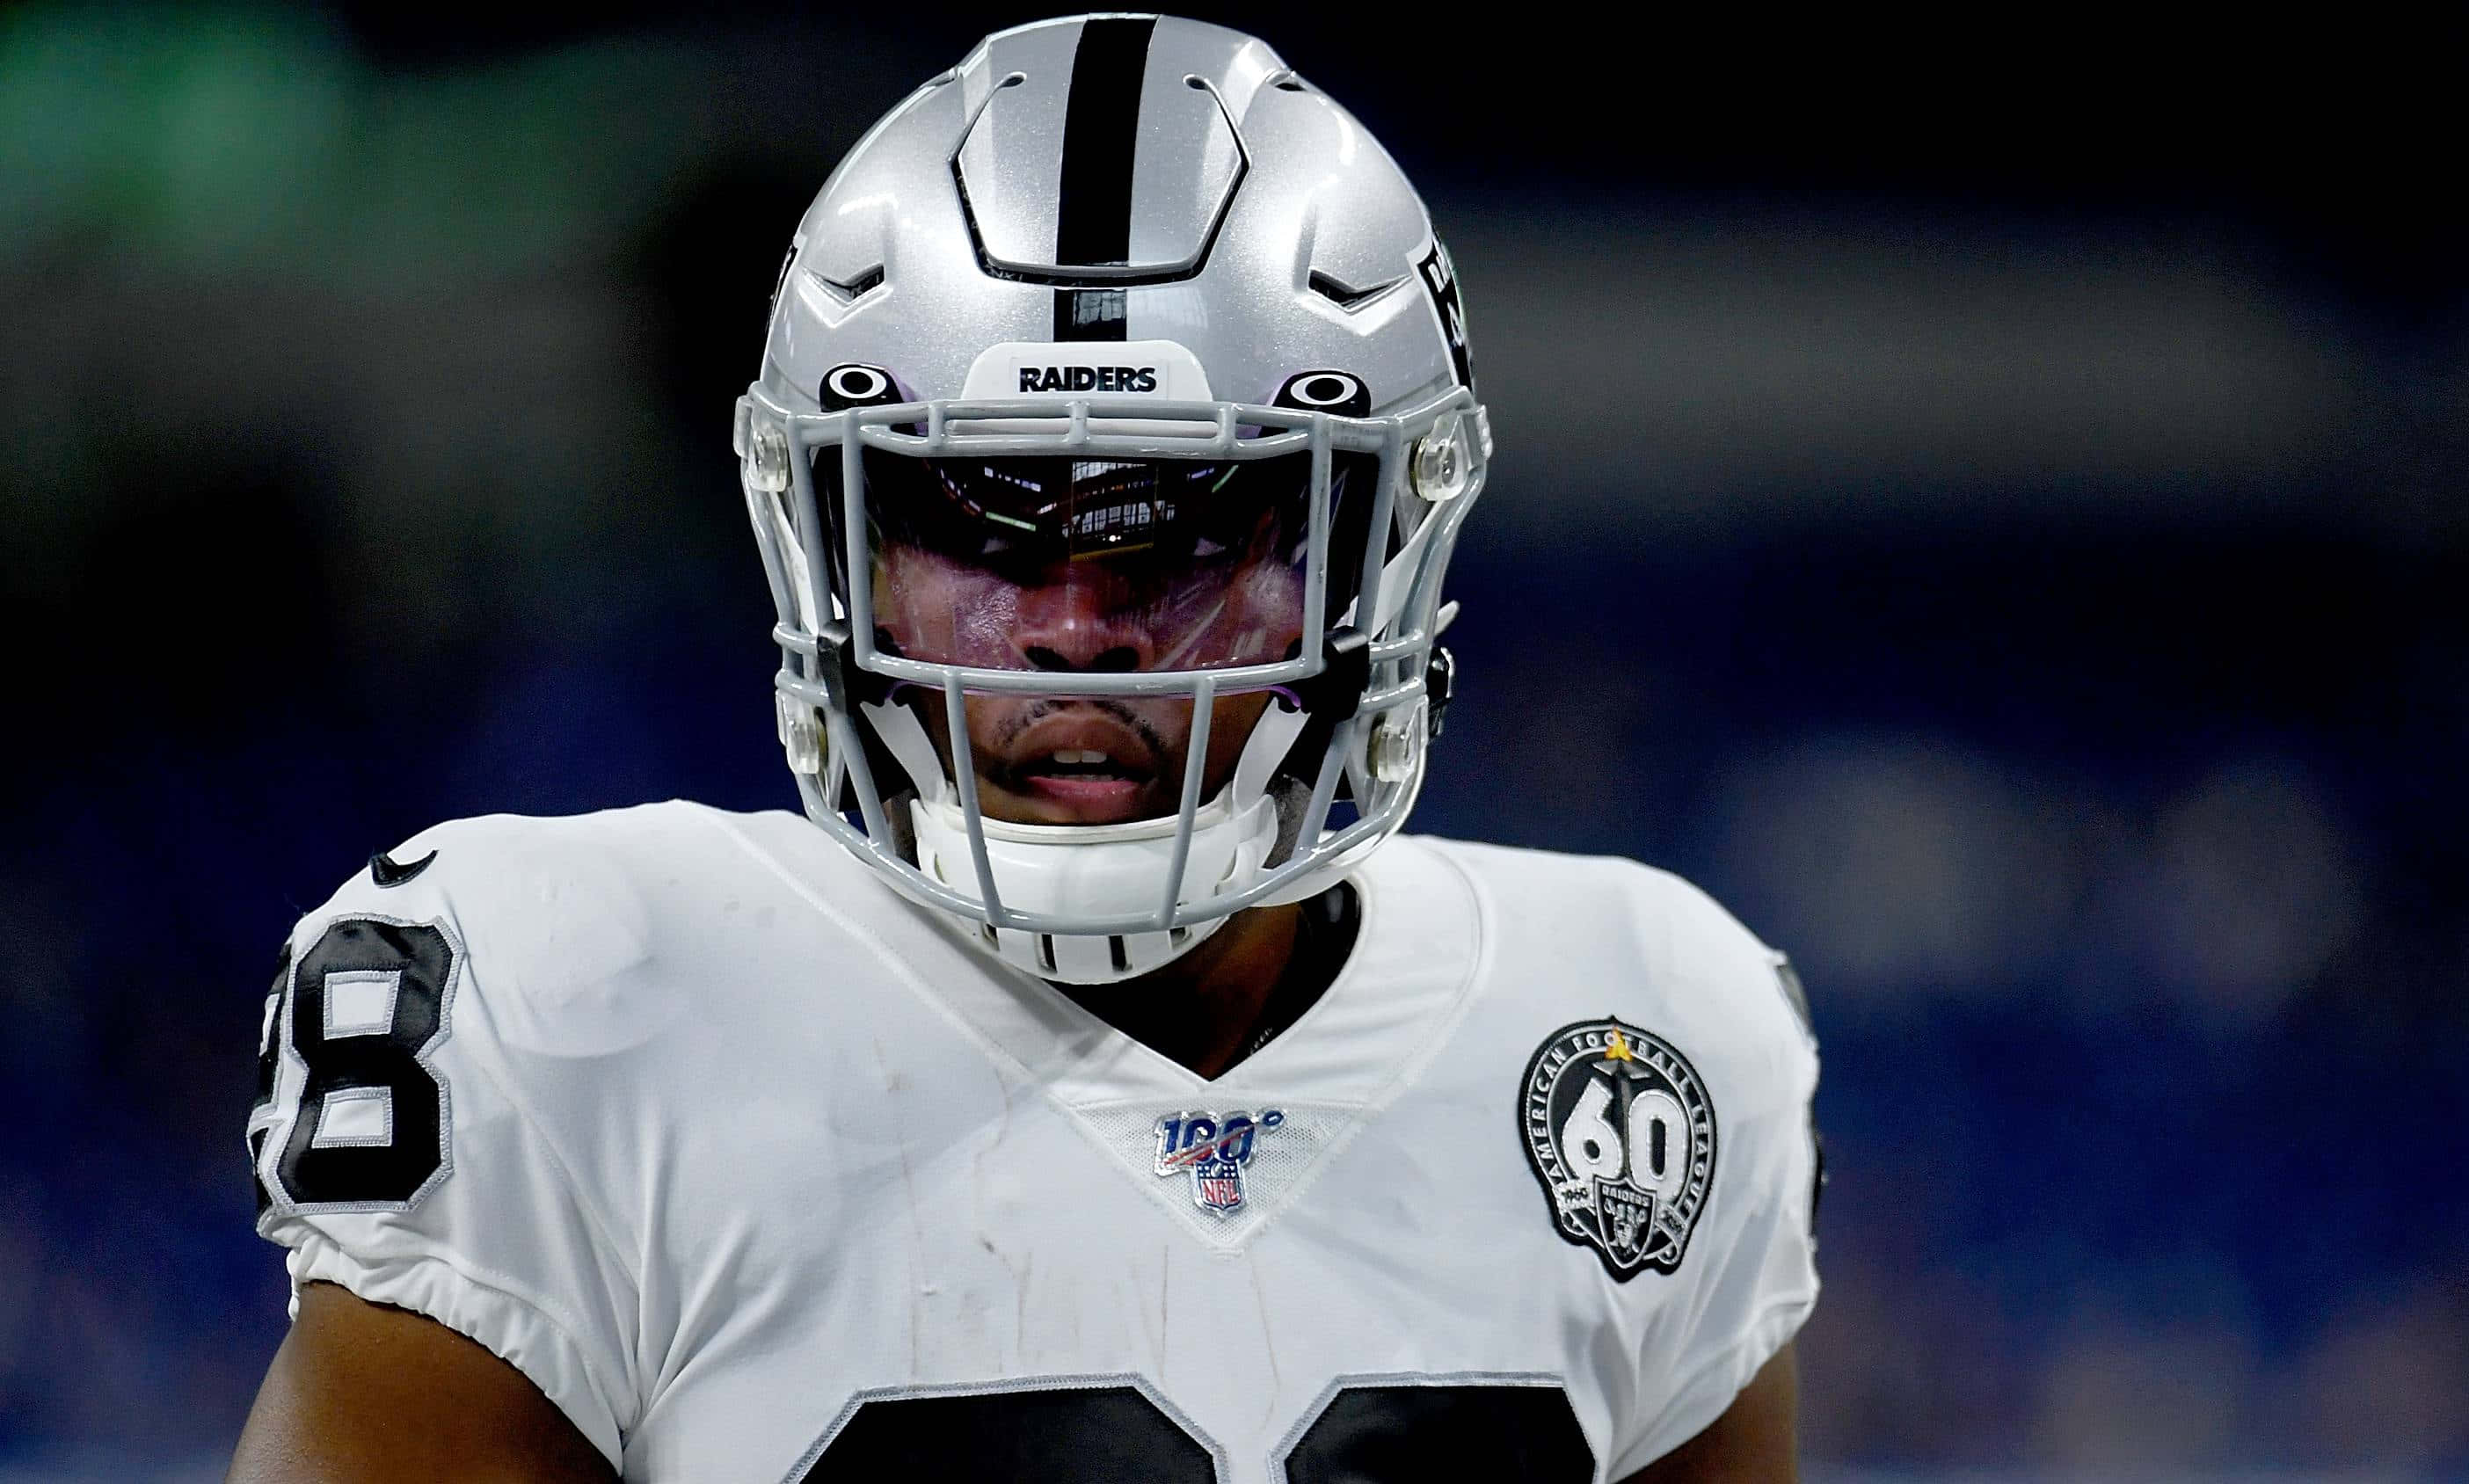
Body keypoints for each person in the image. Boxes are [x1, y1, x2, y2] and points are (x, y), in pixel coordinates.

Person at [227, 15, 1821, 1481]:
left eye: (1183, 526)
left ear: (1373, 550)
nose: (1074, 627)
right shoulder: (566, 1003)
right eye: (980, 516)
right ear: (839, 543)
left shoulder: (1643, 1029)